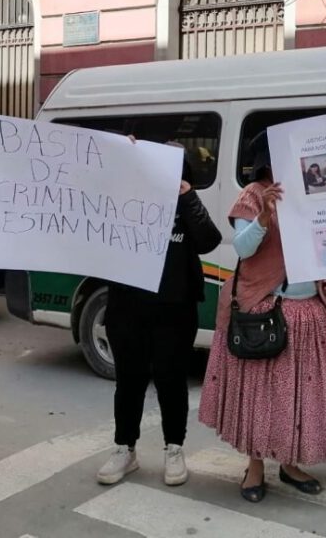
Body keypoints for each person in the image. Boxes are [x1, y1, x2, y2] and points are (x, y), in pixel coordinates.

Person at [199, 131, 326, 503]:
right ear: (268, 159)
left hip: (311, 311)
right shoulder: (252, 196)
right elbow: (244, 248)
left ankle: (290, 463)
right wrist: (264, 217)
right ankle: (256, 465)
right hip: (267, 309)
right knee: (261, 397)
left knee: (299, 396)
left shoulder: (315, 194)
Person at [96, 150, 222, 488]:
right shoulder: (121, 199)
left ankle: (174, 448)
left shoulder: (184, 202)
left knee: (171, 378)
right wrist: (122, 156)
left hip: (175, 307)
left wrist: (187, 197)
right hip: (127, 305)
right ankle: (125, 448)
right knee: (129, 379)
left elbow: (210, 240)